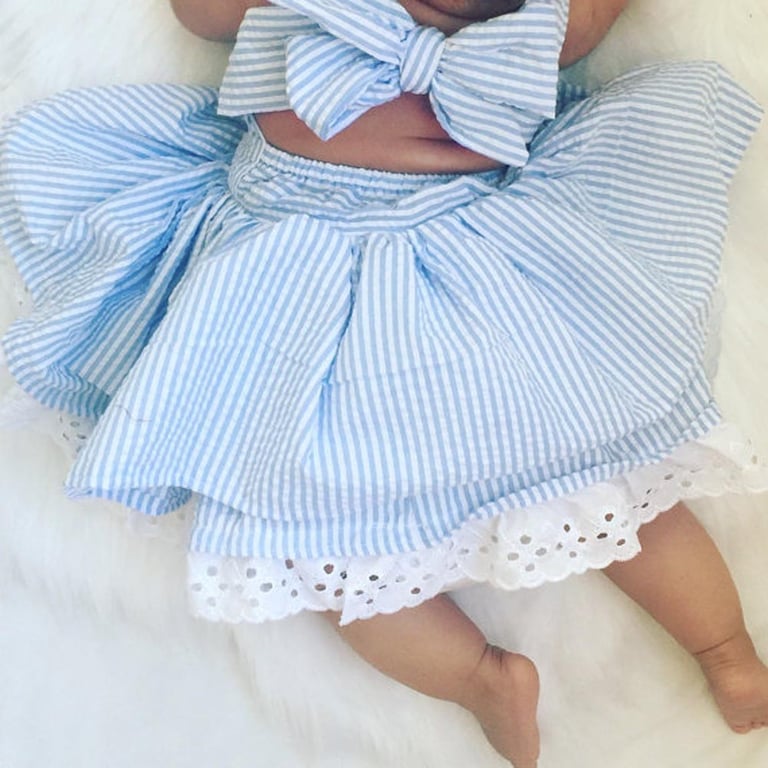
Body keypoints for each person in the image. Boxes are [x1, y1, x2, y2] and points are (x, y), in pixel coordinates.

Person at [1, 1, 767, 765]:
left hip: (431, 267)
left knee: (603, 483)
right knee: (330, 544)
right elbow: (202, 14)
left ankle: (716, 652)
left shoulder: (524, 29)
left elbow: (584, 26)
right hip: (329, 276)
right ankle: (495, 676)